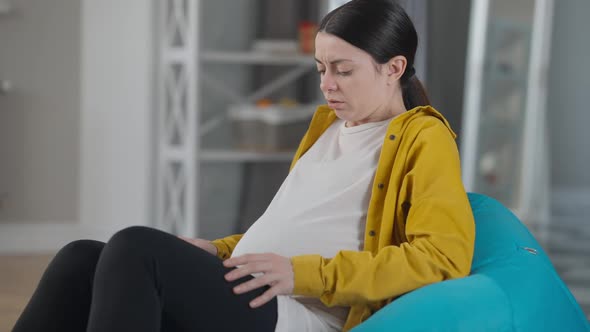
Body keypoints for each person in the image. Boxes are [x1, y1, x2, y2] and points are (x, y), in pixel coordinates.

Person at [13, 0, 475, 331]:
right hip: (259, 286)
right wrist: (218, 251)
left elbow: (442, 258)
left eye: (343, 70)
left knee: (138, 247)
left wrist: (303, 274)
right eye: (320, 69)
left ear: (393, 68)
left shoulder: (423, 136)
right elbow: (297, 222)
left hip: (302, 313)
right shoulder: (328, 128)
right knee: (81, 257)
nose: (327, 85)